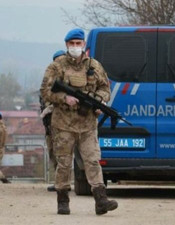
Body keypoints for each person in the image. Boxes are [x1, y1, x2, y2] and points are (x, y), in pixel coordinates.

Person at [40, 28, 118, 215]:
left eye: (78, 43)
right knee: (64, 163)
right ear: (67, 45)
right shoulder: (56, 66)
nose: (75, 47)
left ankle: (101, 200)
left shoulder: (94, 66)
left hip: (88, 124)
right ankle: (63, 200)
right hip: (64, 124)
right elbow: (45, 91)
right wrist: (63, 98)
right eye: (72, 43)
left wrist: (99, 100)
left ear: (83, 44)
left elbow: (105, 89)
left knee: (92, 161)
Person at [41, 50, 67, 192]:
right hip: (50, 125)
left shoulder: (69, 80)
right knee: (53, 153)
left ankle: (63, 183)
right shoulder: (49, 80)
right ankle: (59, 181)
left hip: (64, 124)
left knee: (63, 154)